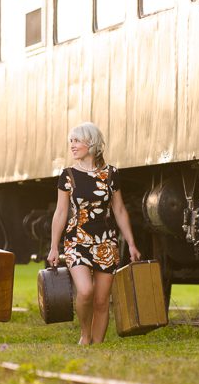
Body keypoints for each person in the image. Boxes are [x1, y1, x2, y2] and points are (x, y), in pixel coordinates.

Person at [47, 122, 141, 344]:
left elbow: (119, 210)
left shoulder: (111, 174)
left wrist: (131, 243)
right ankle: (85, 335)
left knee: (101, 300)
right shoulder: (68, 175)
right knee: (86, 291)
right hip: (76, 241)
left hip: (106, 243)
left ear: (91, 143)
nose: (72, 145)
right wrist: (54, 247)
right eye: (71, 141)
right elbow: (60, 212)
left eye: (77, 141)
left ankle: (97, 345)